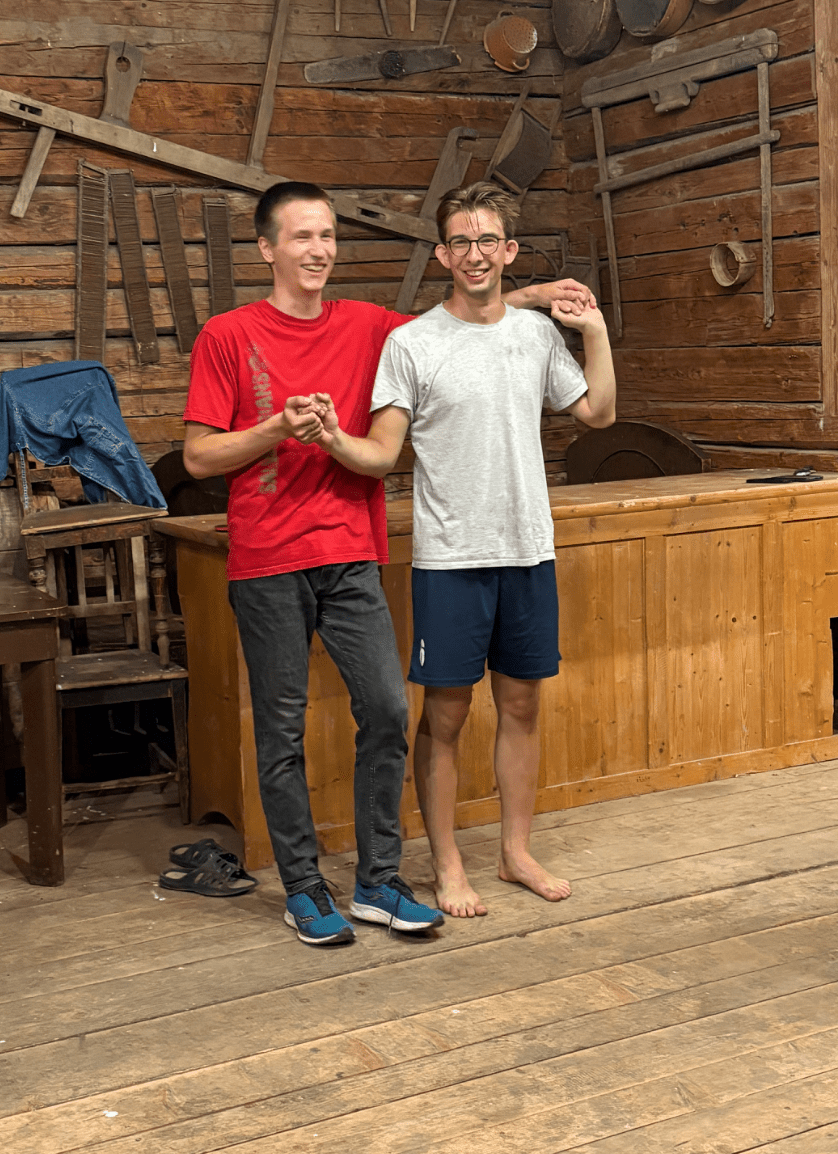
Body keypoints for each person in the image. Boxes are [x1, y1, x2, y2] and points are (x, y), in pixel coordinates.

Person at [182, 179, 597, 945]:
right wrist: (277, 427)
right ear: (267, 248)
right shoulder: (227, 335)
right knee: (281, 728)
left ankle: (377, 880)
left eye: (327, 235)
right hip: (267, 558)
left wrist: (537, 293)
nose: (318, 249)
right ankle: (304, 888)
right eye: (302, 236)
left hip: (351, 553)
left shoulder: (371, 326)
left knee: (387, 710)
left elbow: (465, 318)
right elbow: (198, 457)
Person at [309, 181, 616, 919]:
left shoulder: (536, 335)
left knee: (522, 706)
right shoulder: (412, 344)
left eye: (487, 241)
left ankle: (515, 853)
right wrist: (331, 437)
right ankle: (446, 865)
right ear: (443, 255)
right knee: (444, 716)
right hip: (451, 559)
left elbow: (598, 414)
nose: (474, 254)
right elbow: (381, 454)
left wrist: (595, 331)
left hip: (528, 551)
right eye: (460, 243)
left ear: (508, 251)